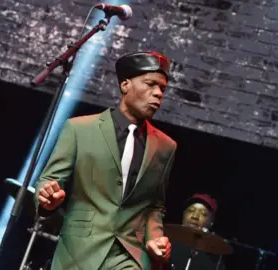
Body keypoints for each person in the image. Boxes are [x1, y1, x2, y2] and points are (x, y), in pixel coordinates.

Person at [35, 52, 177, 270]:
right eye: (150, 84)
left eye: (162, 89)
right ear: (125, 85)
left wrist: (155, 238)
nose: (158, 94)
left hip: (130, 255)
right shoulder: (80, 129)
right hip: (79, 250)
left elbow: (155, 206)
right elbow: (50, 179)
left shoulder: (166, 147)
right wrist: (47, 199)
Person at [170, 194, 226, 270]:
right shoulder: (166, 241)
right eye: (191, 210)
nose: (195, 216)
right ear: (183, 214)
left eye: (203, 214)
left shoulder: (215, 258)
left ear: (211, 222)